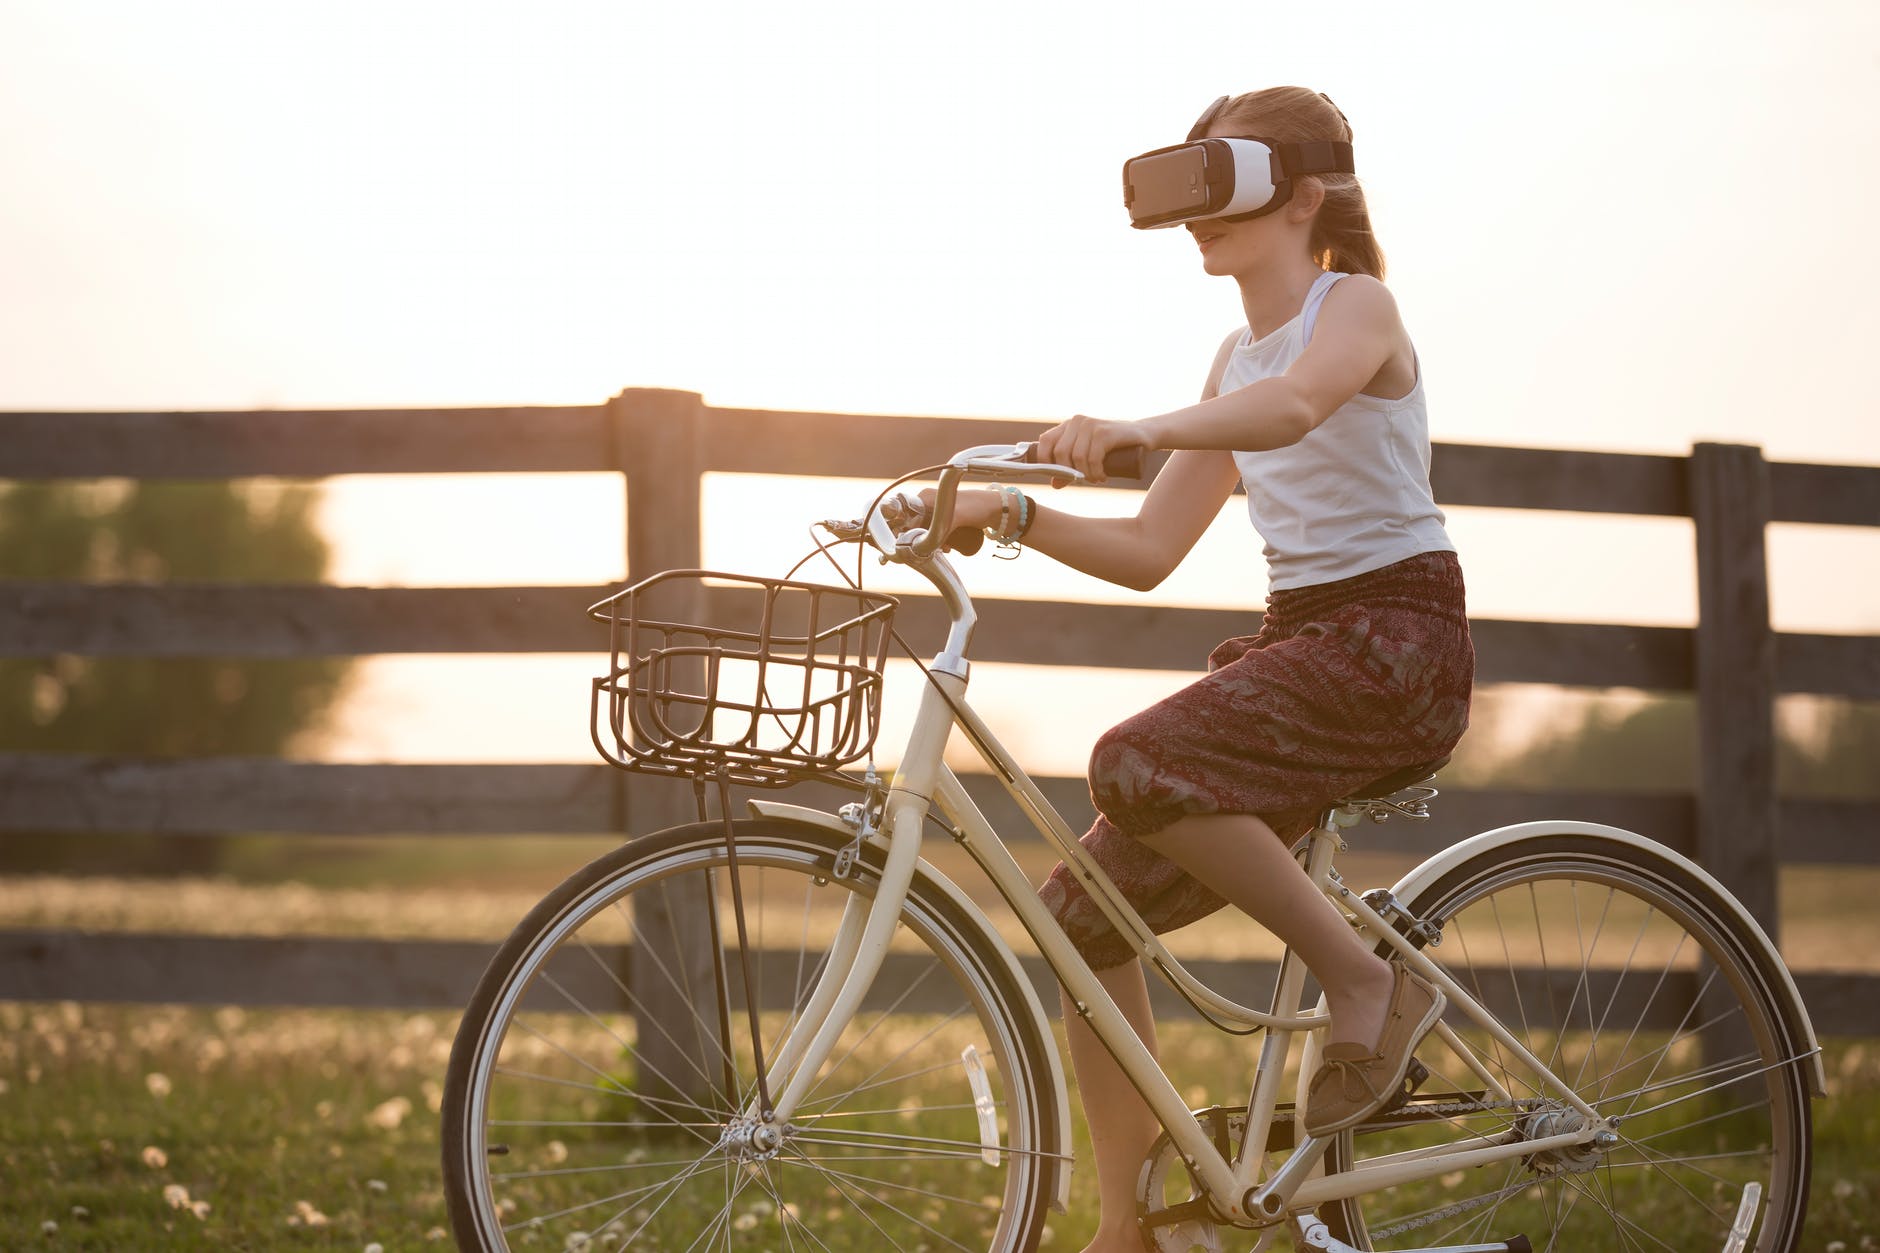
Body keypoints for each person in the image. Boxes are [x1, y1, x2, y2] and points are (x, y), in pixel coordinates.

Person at [936, 87, 1474, 1250]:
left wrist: (1140, 428)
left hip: (1395, 644)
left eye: (1218, 184)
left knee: (1131, 757)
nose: (1194, 217)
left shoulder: (1355, 307)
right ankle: (1124, 1225)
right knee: (1077, 912)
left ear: (1303, 197)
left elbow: (1290, 408)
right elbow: (1144, 549)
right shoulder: (1231, 354)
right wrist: (1016, 510)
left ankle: (1367, 981)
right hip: (1302, 644)